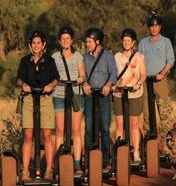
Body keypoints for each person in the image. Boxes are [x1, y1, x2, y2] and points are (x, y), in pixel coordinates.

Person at [16, 30, 59, 181]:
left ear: (43, 44)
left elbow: (56, 79)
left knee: (46, 135)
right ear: (30, 45)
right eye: (33, 43)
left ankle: (48, 169)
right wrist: (24, 85)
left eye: (39, 43)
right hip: (29, 99)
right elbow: (19, 80)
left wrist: (50, 86)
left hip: (45, 99)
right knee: (28, 135)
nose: (36, 45)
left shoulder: (49, 61)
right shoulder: (24, 61)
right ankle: (25, 171)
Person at [52, 26, 85, 177]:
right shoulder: (55, 57)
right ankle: (59, 162)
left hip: (75, 95)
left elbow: (83, 75)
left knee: (76, 131)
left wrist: (80, 79)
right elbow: (52, 76)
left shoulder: (78, 56)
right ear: (60, 41)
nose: (65, 41)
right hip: (59, 94)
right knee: (59, 131)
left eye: (68, 38)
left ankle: (77, 163)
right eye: (62, 38)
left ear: (72, 40)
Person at [138, 15, 175, 152]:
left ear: (160, 26)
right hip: (145, 80)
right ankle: (150, 145)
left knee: (164, 111)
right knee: (147, 112)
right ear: (149, 28)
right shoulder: (143, 43)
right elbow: (138, 60)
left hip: (160, 80)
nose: (154, 28)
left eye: (156, 26)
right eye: (151, 26)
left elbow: (170, 60)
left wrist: (162, 73)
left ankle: (166, 144)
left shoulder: (166, 42)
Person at [82, 28, 117, 173]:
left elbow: (113, 73)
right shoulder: (85, 58)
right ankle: (89, 160)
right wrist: (84, 83)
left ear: (97, 42)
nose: (87, 44)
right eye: (87, 42)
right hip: (90, 96)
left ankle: (106, 161)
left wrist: (108, 85)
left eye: (89, 42)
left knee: (104, 127)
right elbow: (82, 74)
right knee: (89, 129)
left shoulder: (108, 55)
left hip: (104, 96)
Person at [113, 28, 146, 164]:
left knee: (134, 124)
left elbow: (143, 74)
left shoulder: (139, 57)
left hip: (135, 93)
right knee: (119, 125)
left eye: (128, 41)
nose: (126, 43)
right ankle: (120, 153)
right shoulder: (116, 57)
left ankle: (136, 153)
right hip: (119, 94)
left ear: (133, 43)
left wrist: (138, 83)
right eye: (124, 40)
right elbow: (113, 75)